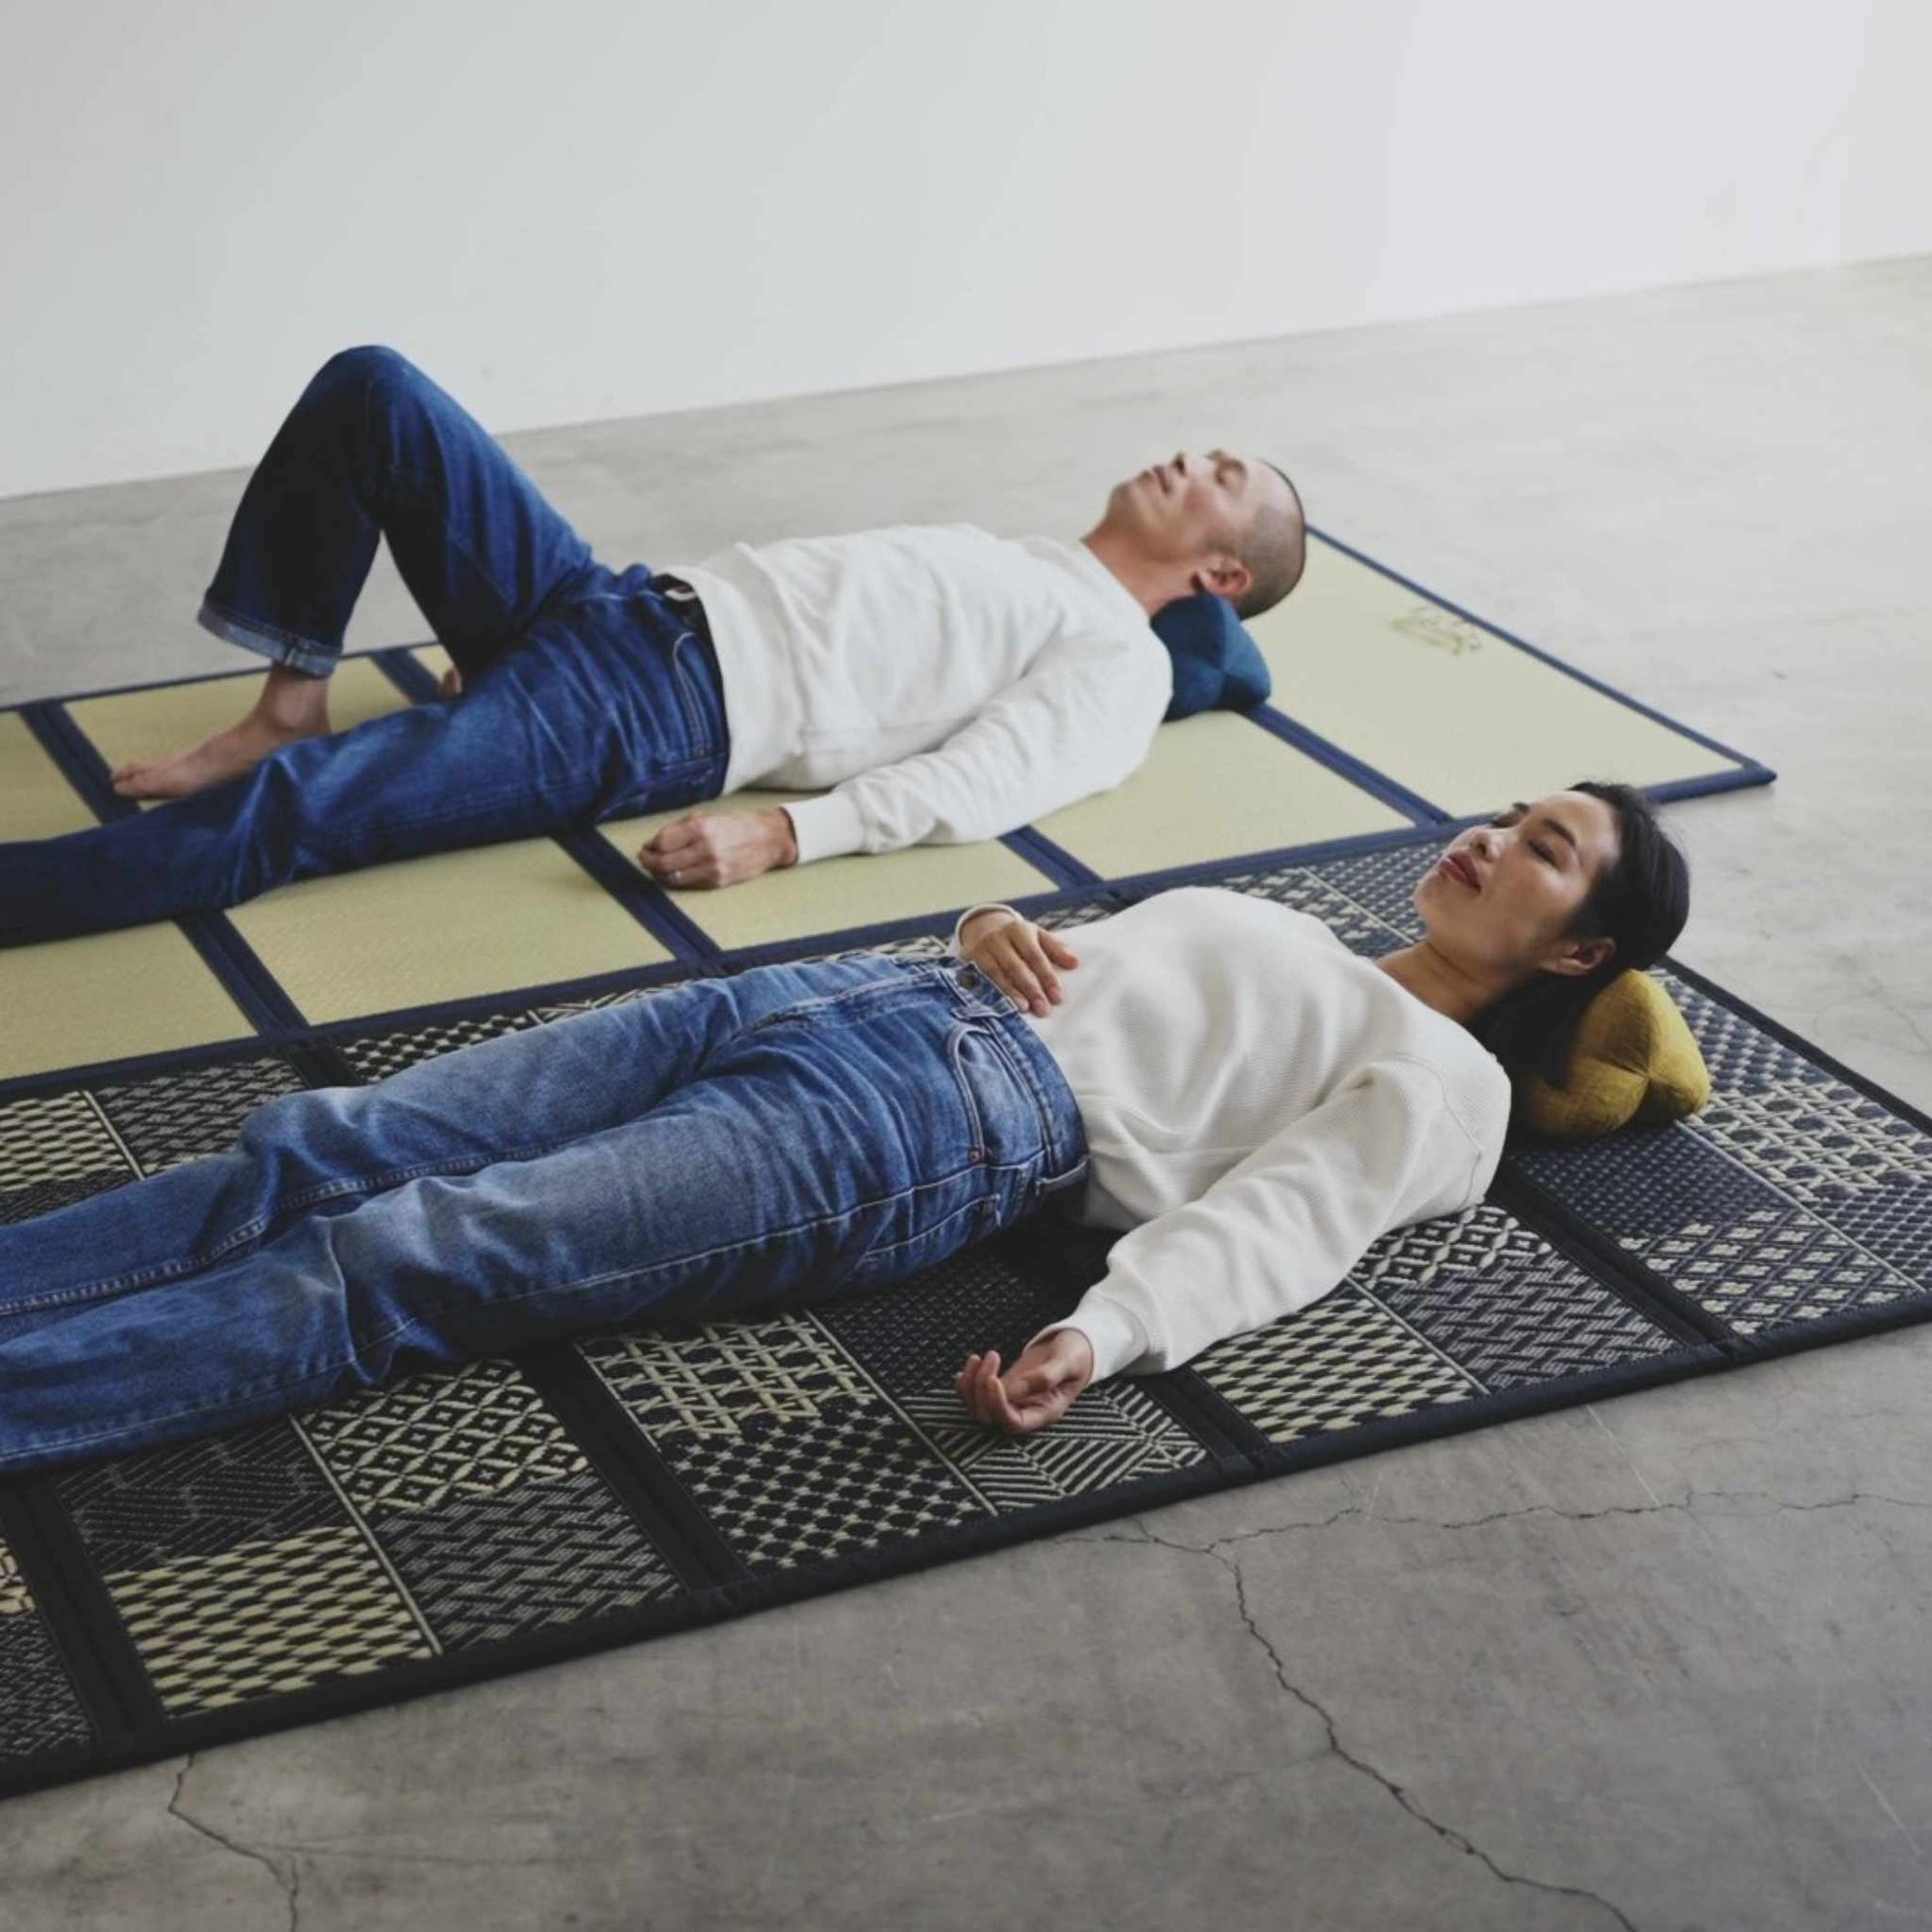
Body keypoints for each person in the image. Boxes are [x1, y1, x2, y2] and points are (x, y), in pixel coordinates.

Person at [0, 782, 1687, 1474]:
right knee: (316, 1143)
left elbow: (1288, 1224)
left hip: (938, 1125)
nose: (1485, 836)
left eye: (1539, 851)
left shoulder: (1447, 1090)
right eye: (1504, 811)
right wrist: (978, 931)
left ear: (1576, 950)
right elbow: (1098, 966)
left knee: (398, 1255)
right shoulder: (1305, 931)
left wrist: (1100, 1337)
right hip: (817, 996)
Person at [0, 345, 1307, 946]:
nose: (1185, 456)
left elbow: (998, 781)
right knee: (375, 391)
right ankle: (287, 698)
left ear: (1218, 570)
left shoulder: (1122, 664)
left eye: (1218, 471)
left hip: (659, 717)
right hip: (611, 606)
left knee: (306, 814)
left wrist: (787, 832)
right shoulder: (1037, 560)